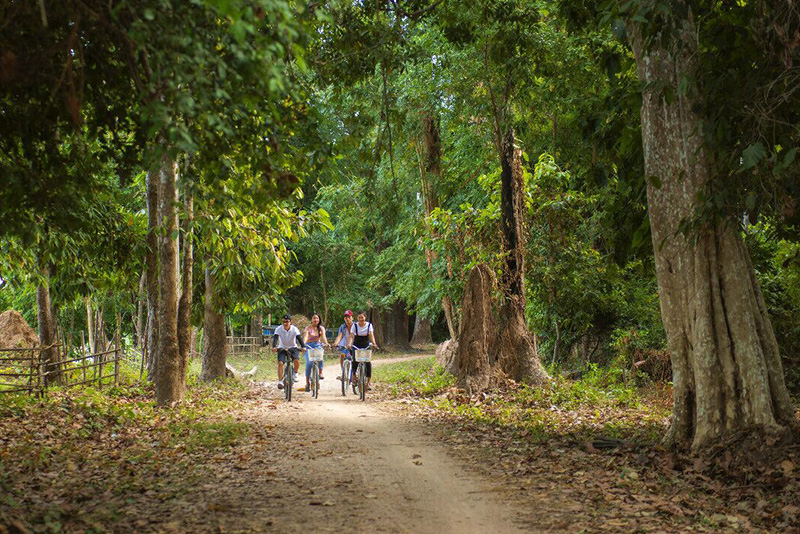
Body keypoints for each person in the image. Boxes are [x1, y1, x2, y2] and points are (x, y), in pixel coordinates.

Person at [347, 310, 379, 390]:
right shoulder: (354, 325)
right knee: (355, 360)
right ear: (357, 318)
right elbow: (351, 336)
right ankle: (354, 376)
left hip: (366, 344)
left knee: (368, 362)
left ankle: (368, 382)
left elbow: (371, 335)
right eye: (359, 317)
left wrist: (374, 343)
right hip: (356, 344)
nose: (361, 319)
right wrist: (349, 344)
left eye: (362, 317)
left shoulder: (369, 325)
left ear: (365, 317)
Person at [272, 314, 304, 389]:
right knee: (280, 363)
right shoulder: (278, 329)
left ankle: (295, 373)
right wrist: (274, 347)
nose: (285, 323)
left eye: (287, 322)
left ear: (291, 322)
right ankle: (280, 381)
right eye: (284, 322)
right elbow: (275, 339)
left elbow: (299, 338)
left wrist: (303, 347)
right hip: (282, 348)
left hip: (292, 347)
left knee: (296, 360)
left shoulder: (294, 329)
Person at [302, 312, 329, 392]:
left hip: (317, 345)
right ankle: (307, 383)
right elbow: (306, 337)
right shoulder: (308, 328)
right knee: (309, 363)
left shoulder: (321, 328)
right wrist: (303, 345)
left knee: (320, 357)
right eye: (314, 318)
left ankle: (320, 372)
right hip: (308, 346)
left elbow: (323, 337)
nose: (315, 320)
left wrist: (327, 344)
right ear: (311, 319)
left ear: (319, 319)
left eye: (317, 318)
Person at [333, 310, 355, 380]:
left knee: (356, 359)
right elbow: (339, 336)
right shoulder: (342, 327)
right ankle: (344, 374)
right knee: (342, 355)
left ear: (352, 318)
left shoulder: (356, 326)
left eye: (349, 317)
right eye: (345, 317)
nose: (347, 319)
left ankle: (355, 374)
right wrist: (336, 343)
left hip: (355, 344)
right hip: (345, 345)